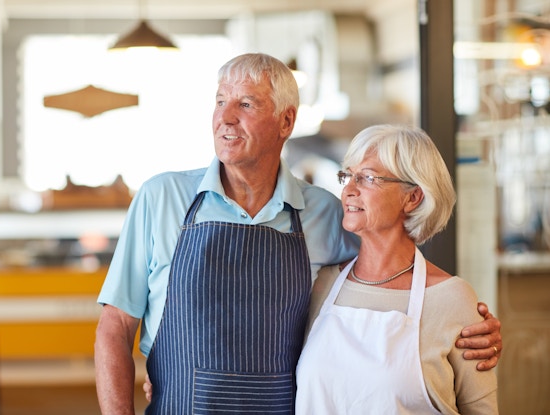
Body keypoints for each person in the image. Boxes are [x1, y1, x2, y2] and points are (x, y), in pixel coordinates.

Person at [95, 53, 501, 415]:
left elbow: (387, 273)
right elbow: (115, 326)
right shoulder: (161, 197)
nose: (225, 117)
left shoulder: (326, 212)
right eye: (220, 101)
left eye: (246, 104)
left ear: (286, 121)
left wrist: (466, 324)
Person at [295, 124, 499, 414]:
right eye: (348, 176)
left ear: (412, 197)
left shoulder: (452, 299)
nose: (349, 190)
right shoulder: (324, 283)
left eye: (366, 178)